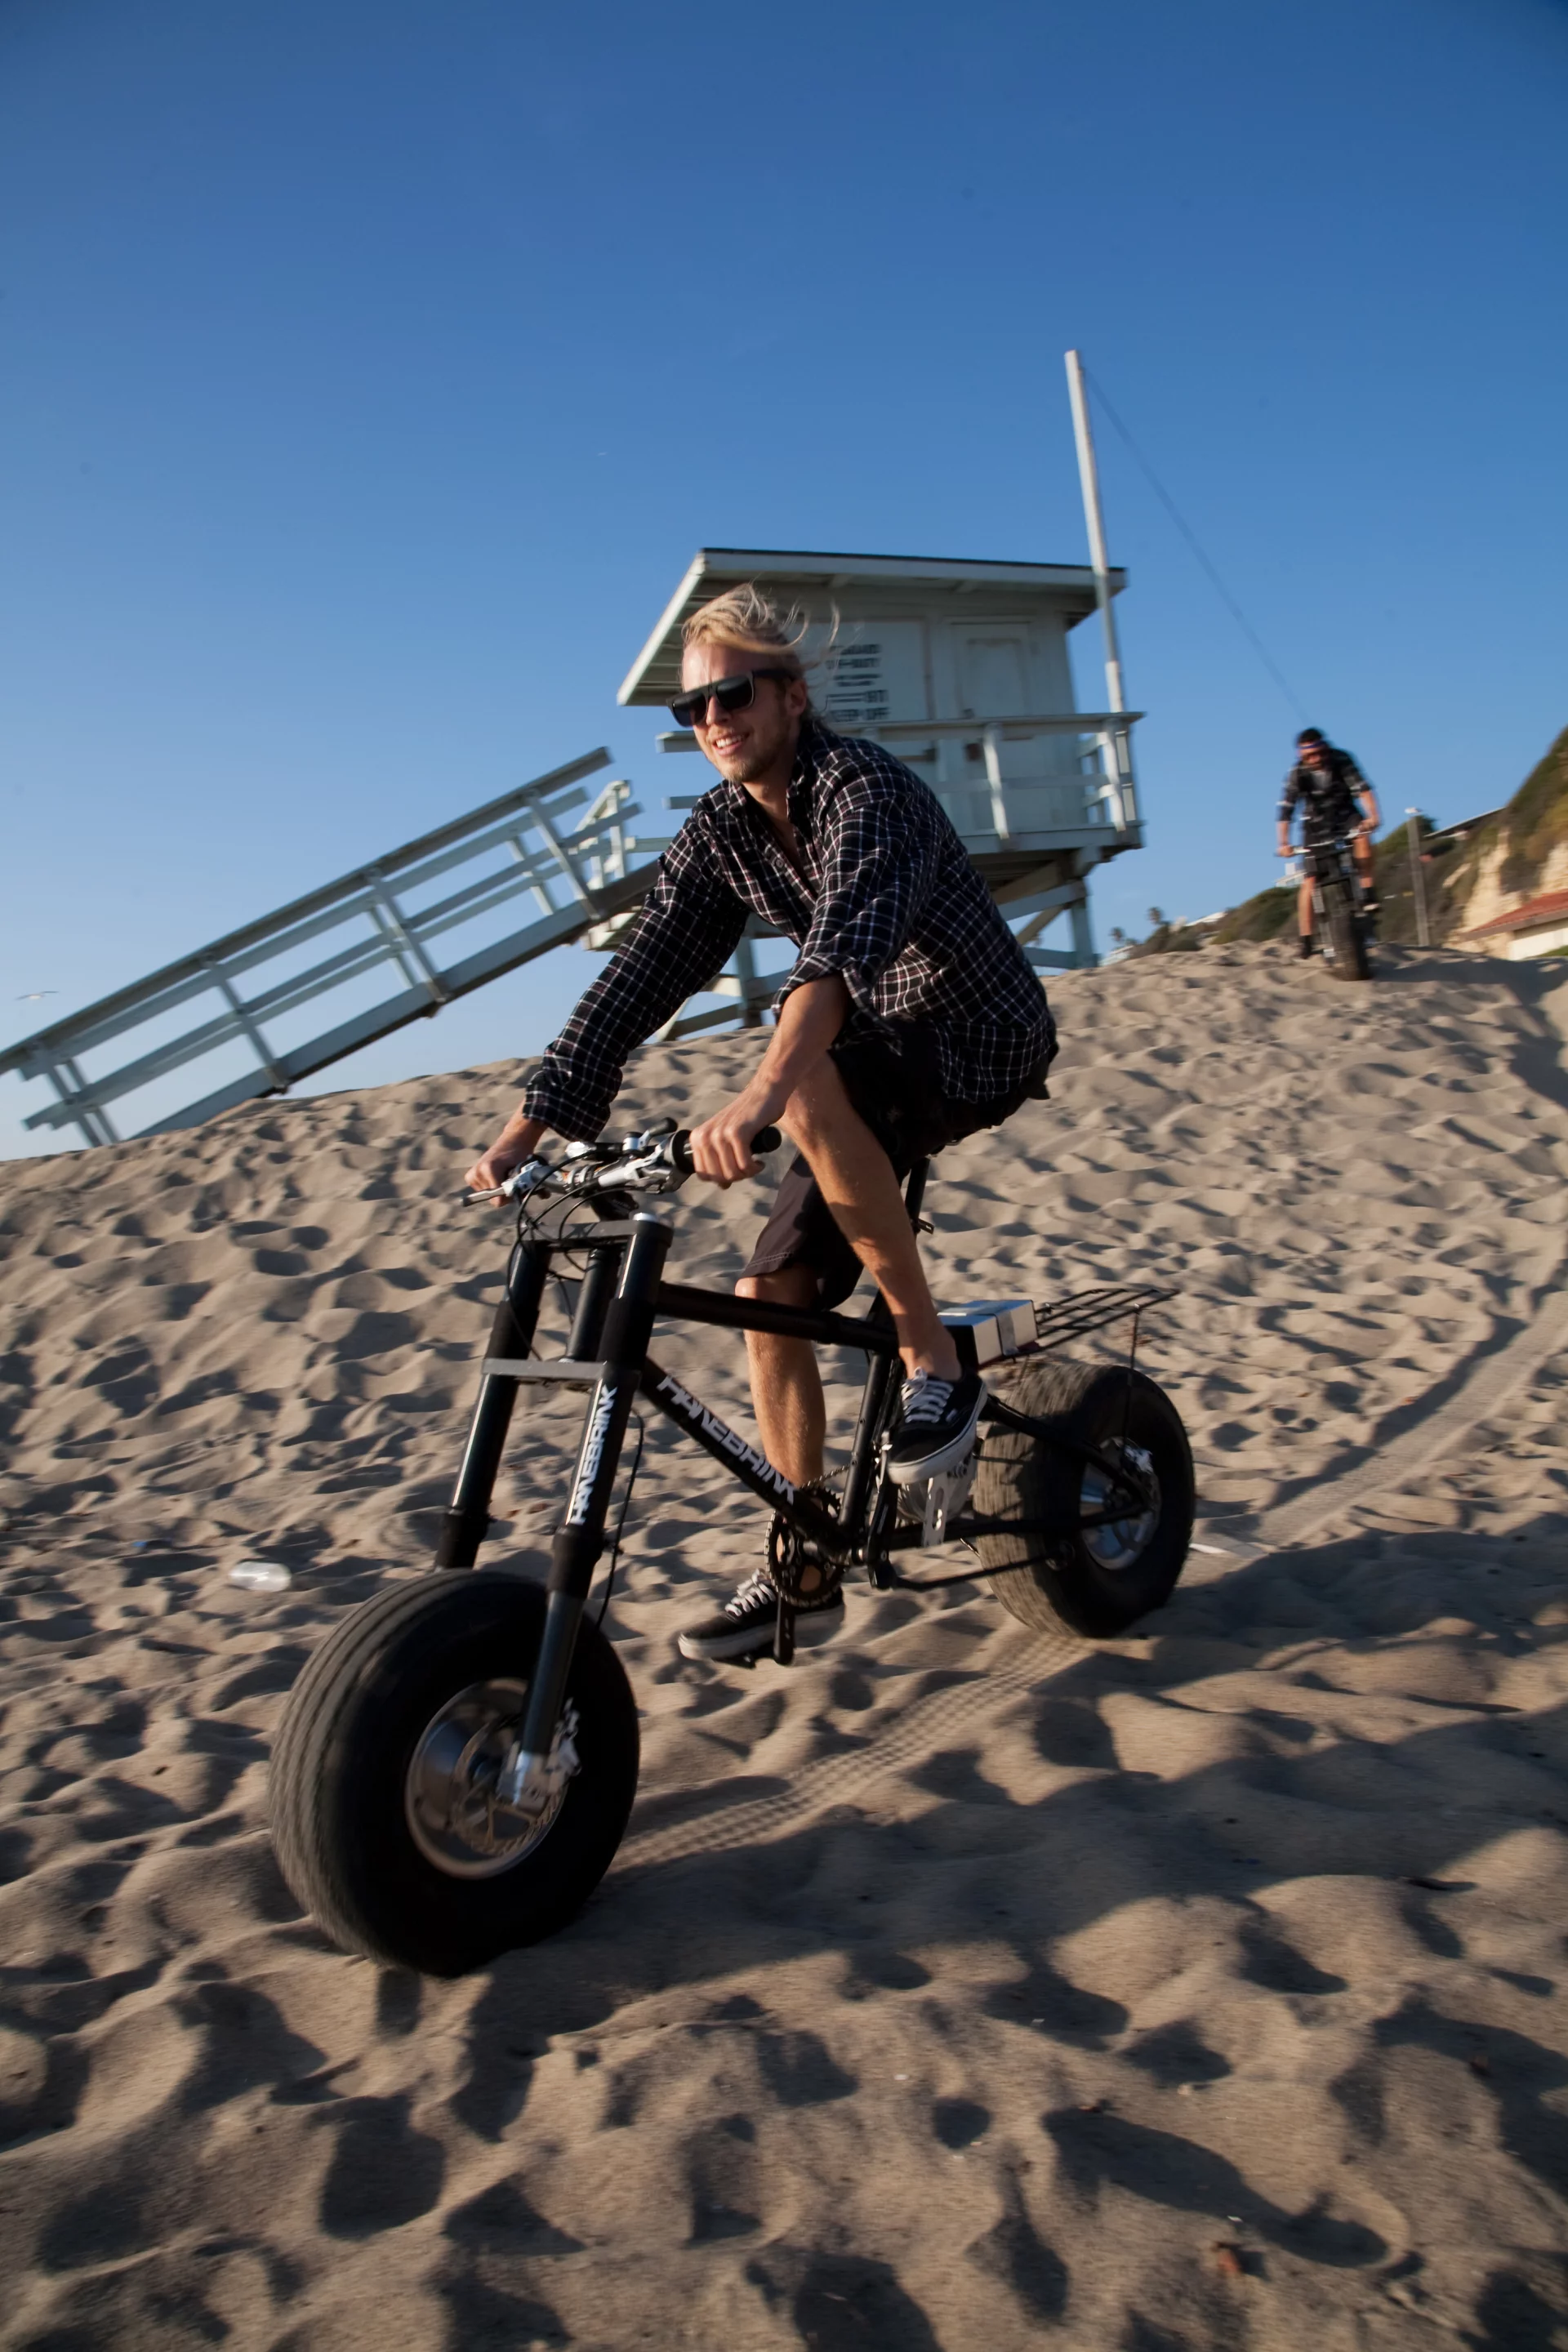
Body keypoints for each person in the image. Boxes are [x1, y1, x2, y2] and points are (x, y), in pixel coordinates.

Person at [466, 584, 1057, 1665]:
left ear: (788, 696)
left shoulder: (862, 791)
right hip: (865, 1049)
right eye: (692, 712)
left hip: (977, 1032)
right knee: (764, 1297)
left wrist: (759, 1097)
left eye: (732, 696)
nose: (713, 723)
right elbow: (640, 977)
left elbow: (831, 959)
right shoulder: (723, 833)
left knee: (811, 1063)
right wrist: (529, 1128)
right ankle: (807, 1562)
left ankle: (935, 1362)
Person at [1276, 728, 1381, 956]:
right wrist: (1283, 843)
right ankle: (1306, 939)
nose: (1316, 759)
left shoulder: (1341, 759)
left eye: (1319, 753)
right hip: (1315, 824)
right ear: (1301, 756)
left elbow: (1363, 789)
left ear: (1325, 748)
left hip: (1345, 815)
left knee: (1362, 836)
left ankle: (1367, 890)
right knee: (1310, 880)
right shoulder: (1297, 774)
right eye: (1309, 756)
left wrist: (1373, 816)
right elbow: (1286, 810)